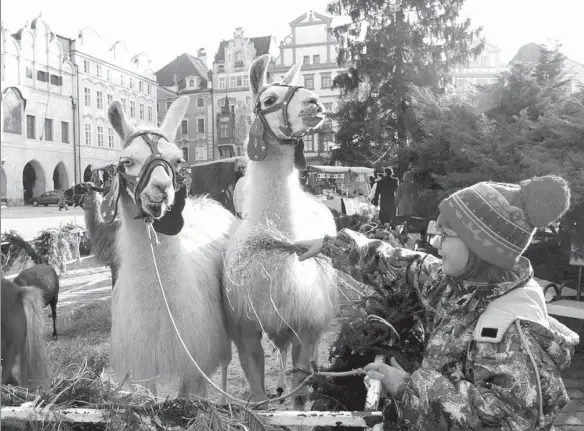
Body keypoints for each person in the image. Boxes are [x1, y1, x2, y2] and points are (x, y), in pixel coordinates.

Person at [295, 175, 579, 430]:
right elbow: (402, 265)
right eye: (436, 231)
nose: (436, 243)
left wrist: (408, 388)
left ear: (482, 247)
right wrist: (331, 245)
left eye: (445, 235)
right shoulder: (456, 283)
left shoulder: (511, 330)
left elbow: (503, 419)